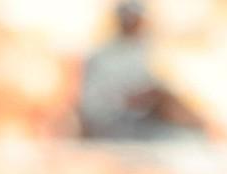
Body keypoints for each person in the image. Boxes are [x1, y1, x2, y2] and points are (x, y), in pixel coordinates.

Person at [77, 1, 203, 141]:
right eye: (130, 17)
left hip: (147, 120)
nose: (134, 22)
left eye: (137, 18)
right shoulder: (103, 56)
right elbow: (93, 104)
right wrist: (132, 100)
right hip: (117, 125)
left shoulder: (145, 50)